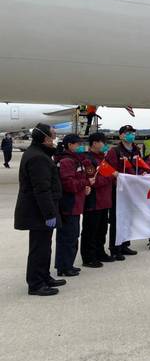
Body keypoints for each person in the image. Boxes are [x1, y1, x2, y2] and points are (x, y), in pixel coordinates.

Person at [14, 123, 66, 296]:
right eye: (53, 135)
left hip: (41, 210)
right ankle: (36, 284)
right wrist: (49, 214)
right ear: (45, 138)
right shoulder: (38, 158)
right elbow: (41, 189)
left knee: (45, 246)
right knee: (39, 248)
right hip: (39, 212)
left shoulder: (40, 154)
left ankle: (44, 276)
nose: (55, 137)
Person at [55, 134, 92, 277]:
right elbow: (69, 184)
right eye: (78, 144)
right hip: (69, 204)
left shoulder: (76, 160)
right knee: (68, 236)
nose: (80, 147)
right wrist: (84, 184)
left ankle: (67, 264)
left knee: (72, 235)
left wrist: (85, 185)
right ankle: (64, 267)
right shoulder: (67, 161)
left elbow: (79, 179)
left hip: (75, 203)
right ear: (70, 145)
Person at [105, 125, 142, 260]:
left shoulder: (136, 150)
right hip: (118, 191)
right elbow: (108, 169)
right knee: (117, 220)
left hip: (132, 191)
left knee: (128, 218)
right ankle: (115, 248)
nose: (130, 135)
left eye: (132, 132)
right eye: (127, 133)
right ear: (120, 135)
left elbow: (139, 166)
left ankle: (125, 244)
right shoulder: (114, 151)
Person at [81, 133, 115, 267]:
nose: (104, 145)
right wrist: (109, 177)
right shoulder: (88, 160)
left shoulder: (102, 159)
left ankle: (100, 252)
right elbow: (93, 181)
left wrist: (110, 176)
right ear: (94, 143)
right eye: (102, 142)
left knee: (102, 230)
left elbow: (111, 173)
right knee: (90, 230)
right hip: (94, 202)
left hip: (104, 201)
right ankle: (88, 257)